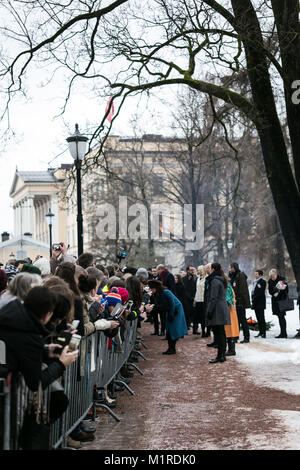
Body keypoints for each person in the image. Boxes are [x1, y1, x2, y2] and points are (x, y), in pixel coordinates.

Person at [0, 286, 78, 391]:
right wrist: (61, 364)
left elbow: (17, 351)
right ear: (47, 315)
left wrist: (45, 350)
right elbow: (36, 383)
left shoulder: (11, 312)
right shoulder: (30, 336)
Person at [147, 279, 188, 355]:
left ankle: (172, 348)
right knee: (169, 328)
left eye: (152, 288)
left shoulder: (166, 292)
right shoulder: (157, 294)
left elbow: (172, 303)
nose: (151, 290)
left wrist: (171, 314)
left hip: (176, 310)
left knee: (173, 329)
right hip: (170, 310)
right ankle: (171, 348)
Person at [205, 263, 231, 363]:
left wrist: (209, 311)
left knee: (218, 333)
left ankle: (220, 355)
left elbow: (213, 297)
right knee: (221, 333)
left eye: (210, 268)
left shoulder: (215, 280)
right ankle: (222, 355)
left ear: (212, 269)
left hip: (217, 309)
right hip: (221, 308)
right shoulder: (220, 278)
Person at [229, 263, 251, 343]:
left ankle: (246, 337)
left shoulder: (240, 276)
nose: (229, 270)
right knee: (236, 320)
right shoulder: (234, 276)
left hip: (240, 301)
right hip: (235, 301)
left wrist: (240, 301)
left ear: (233, 268)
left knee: (243, 320)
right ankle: (236, 336)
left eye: (230, 268)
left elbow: (242, 290)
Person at [268, 268, 289, 338]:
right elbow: (270, 291)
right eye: (271, 277)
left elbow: (287, 290)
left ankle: (284, 333)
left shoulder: (282, 279)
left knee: (282, 317)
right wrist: (274, 291)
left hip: (282, 300)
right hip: (275, 301)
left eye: (273, 276)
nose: (272, 278)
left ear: (276, 274)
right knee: (279, 317)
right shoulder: (270, 281)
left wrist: (280, 290)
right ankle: (282, 333)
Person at [224, 277, 239, 356]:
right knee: (231, 330)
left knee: (230, 330)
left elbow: (228, 300)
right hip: (232, 310)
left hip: (229, 311)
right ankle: (231, 349)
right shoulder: (229, 286)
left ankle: (231, 350)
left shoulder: (227, 287)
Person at [193, 265, 209, 337]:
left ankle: (206, 331)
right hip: (198, 300)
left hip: (204, 300)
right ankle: (202, 330)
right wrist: (195, 300)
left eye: (199, 270)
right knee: (199, 317)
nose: (198, 271)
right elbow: (197, 290)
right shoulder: (198, 279)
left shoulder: (206, 278)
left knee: (204, 317)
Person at [251, 270, 267, 338]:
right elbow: (254, 291)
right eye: (255, 274)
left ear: (260, 275)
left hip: (260, 302)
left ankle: (263, 332)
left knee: (261, 318)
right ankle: (260, 332)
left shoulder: (262, 282)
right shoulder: (255, 282)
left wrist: (254, 297)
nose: (255, 275)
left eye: (256, 274)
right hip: (255, 303)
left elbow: (260, 292)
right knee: (258, 318)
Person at [182, 266, 196, 330]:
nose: (192, 271)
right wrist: (190, 297)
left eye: (193, 270)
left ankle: (194, 328)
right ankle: (187, 326)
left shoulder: (195, 278)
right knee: (187, 312)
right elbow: (184, 289)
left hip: (194, 298)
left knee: (194, 313)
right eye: (190, 270)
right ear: (187, 271)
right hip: (187, 299)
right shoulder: (184, 279)